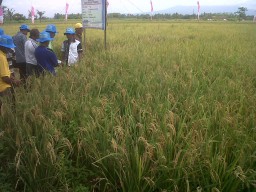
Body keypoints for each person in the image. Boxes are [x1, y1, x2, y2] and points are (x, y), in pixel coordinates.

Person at [0, 35, 20, 114]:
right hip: (4, 88)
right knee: (8, 110)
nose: (9, 49)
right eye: (7, 47)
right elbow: (4, 78)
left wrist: (13, 78)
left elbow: (5, 72)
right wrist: (15, 82)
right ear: (2, 46)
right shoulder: (1, 57)